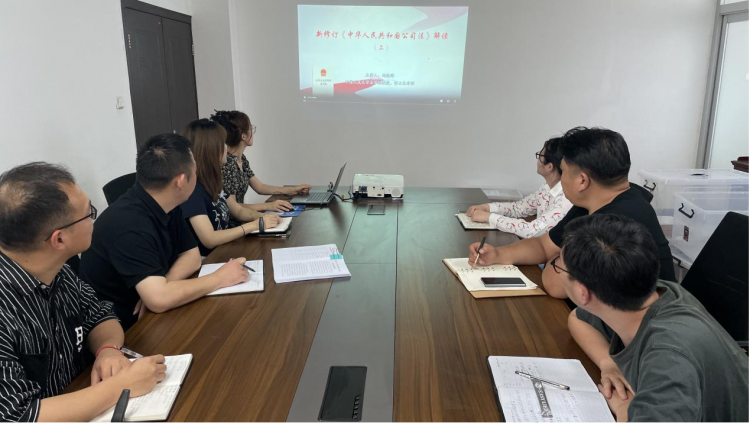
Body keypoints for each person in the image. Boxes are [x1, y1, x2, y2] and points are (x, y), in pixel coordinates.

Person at [0, 162, 167, 422]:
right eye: (89, 213)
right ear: (59, 239)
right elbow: (19, 415)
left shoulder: (56, 270)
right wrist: (120, 387)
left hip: (81, 395)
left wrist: (108, 350)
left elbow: (100, 314)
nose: (94, 219)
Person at [558, 214, 749, 422]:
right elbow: (578, 318)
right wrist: (608, 364)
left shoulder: (668, 359)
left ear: (582, 293)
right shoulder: (651, 293)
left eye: (559, 266)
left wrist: (624, 410)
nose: (557, 268)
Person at [469, 127, 675, 299]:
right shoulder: (592, 201)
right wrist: (499, 254)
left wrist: (556, 258)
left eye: (564, 172)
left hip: (643, 328)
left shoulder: (614, 222)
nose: (561, 179)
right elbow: (544, 245)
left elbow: (555, 284)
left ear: (582, 180)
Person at [80, 134, 250, 330]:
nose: (197, 176)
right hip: (124, 331)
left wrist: (163, 287)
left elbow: (192, 256)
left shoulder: (168, 202)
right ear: (181, 181)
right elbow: (159, 300)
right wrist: (220, 278)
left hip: (155, 314)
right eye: (195, 171)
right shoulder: (128, 225)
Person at [181, 119, 281, 256]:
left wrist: (264, 217)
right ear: (211, 150)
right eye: (223, 143)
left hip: (224, 251)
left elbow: (238, 211)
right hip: (208, 260)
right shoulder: (193, 190)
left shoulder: (213, 181)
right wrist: (253, 225)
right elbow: (210, 239)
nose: (226, 148)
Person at [210, 110, 311, 227]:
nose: (253, 132)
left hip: (245, 219)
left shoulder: (241, 159)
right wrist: (268, 206)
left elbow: (260, 187)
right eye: (250, 128)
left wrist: (293, 190)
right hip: (235, 225)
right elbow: (233, 207)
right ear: (243, 136)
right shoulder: (228, 164)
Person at [466, 137, 573, 238]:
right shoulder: (546, 188)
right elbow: (518, 208)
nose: (537, 160)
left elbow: (532, 230)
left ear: (549, 166)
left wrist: (489, 217)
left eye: (540, 155)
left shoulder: (566, 198)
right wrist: (488, 208)